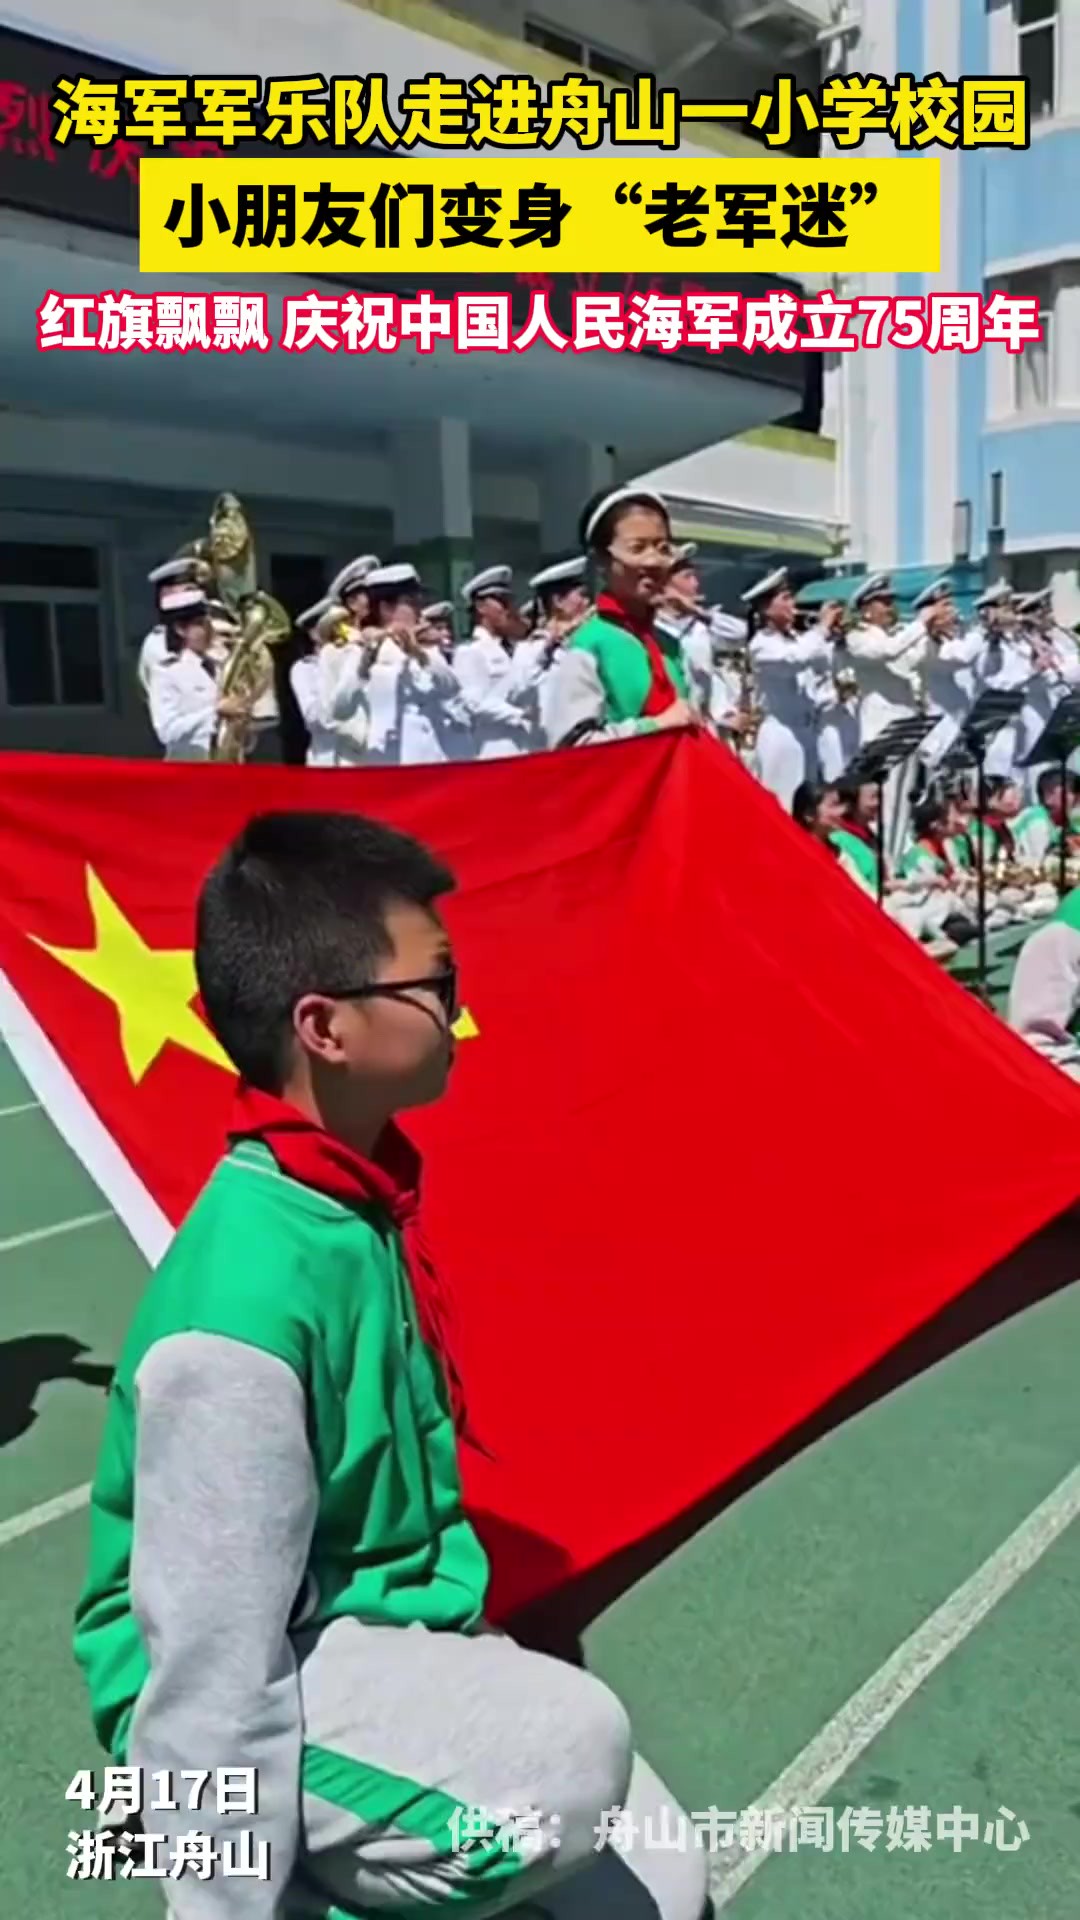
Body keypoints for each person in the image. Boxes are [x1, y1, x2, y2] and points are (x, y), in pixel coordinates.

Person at [73, 811, 709, 1920]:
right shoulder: (240, 1312)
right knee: (568, 1758)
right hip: (234, 1704)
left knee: (663, 1874)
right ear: (324, 1027)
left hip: (350, 1649)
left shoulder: (352, 1204)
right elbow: (211, 1664)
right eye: (434, 984)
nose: (458, 1010)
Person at [543, 489, 694, 750]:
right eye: (637, 548)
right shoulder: (588, 645)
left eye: (662, 548)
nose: (653, 561)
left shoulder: (670, 645)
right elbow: (571, 747)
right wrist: (655, 727)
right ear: (601, 560)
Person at [743, 567, 833, 809]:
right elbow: (795, 659)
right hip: (780, 735)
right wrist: (822, 628)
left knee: (810, 807)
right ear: (765, 608)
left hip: (807, 732)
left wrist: (833, 635)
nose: (793, 604)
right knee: (783, 806)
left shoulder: (797, 638)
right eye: (785, 598)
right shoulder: (762, 645)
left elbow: (823, 664)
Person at [146, 582, 246, 762]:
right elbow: (167, 731)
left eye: (209, 623)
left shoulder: (218, 666)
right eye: (200, 624)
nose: (208, 630)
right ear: (180, 629)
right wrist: (216, 712)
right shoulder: (167, 672)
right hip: (187, 768)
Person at [453, 566, 538, 759]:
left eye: (508, 601)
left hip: (523, 747)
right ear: (481, 607)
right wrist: (519, 715)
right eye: (501, 601)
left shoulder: (514, 648)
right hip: (492, 750)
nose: (508, 609)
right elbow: (475, 703)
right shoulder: (470, 651)